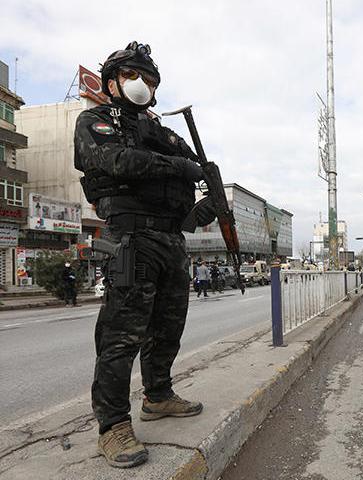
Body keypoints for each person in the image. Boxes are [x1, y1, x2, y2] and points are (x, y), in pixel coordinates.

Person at [74, 41, 212, 468]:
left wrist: (206, 193)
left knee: (169, 326)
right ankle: (113, 426)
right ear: (112, 80)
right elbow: (115, 161)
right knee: (121, 336)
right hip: (131, 237)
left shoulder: (164, 132)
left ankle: (158, 395)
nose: (142, 86)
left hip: (172, 240)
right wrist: (178, 168)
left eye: (150, 81)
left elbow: (196, 171)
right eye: (134, 76)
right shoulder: (95, 120)